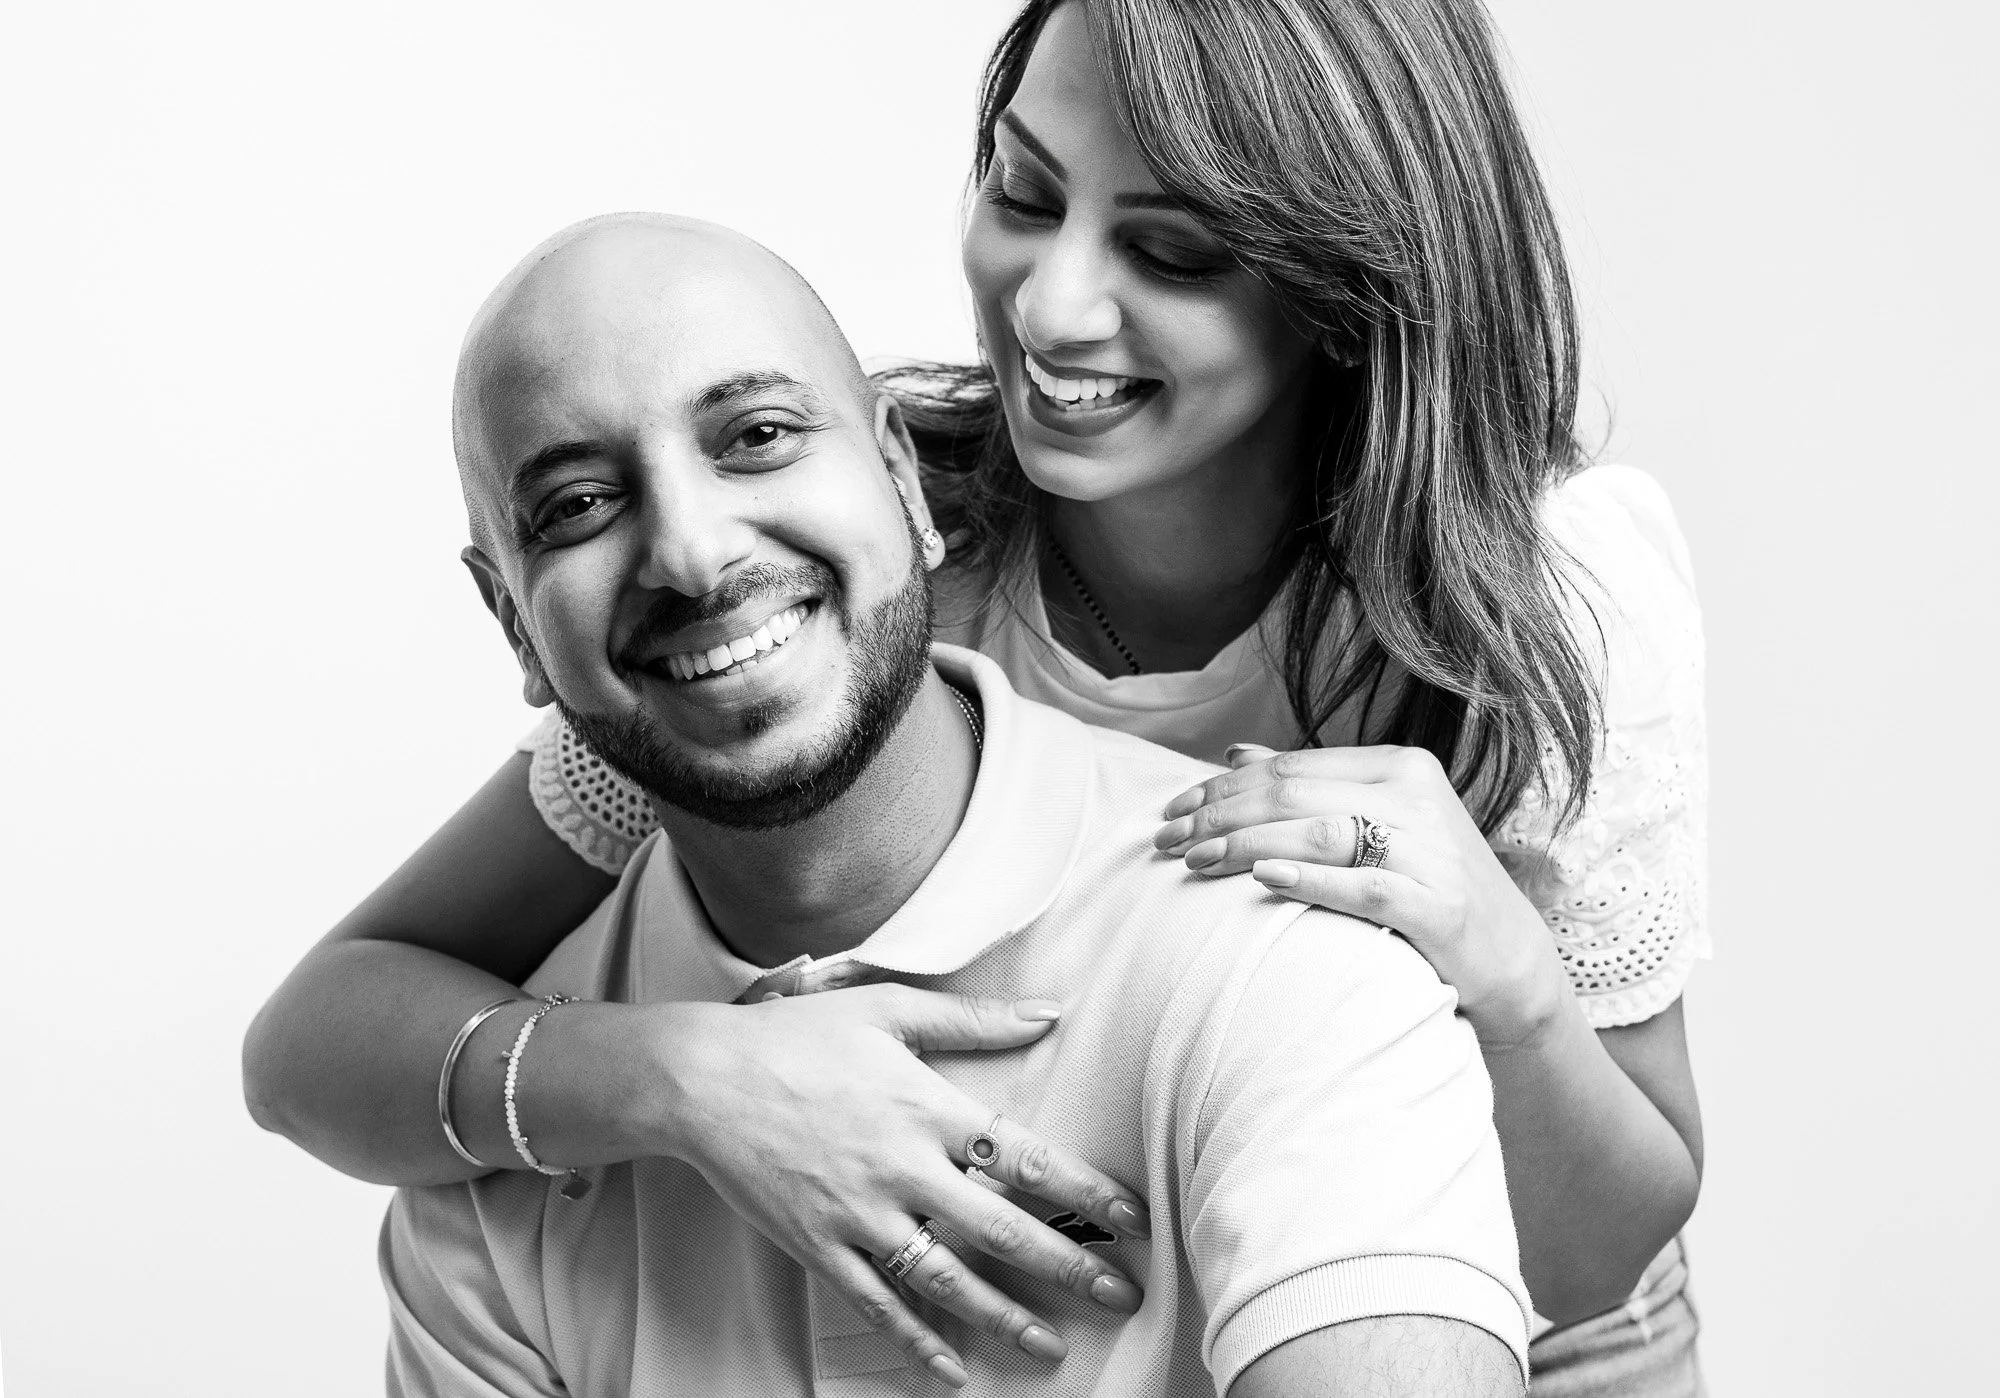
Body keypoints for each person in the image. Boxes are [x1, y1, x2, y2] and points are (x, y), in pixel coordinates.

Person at [247, 1, 1708, 1390]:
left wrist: (1495, 963)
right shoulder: (860, 578)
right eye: (1024, 187)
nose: (1054, 304)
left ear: (1345, 284)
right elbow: (321, 1033)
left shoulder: (1539, 591)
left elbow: (1598, 1249)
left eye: (1175, 251)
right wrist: (697, 1077)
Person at [384, 209, 1530, 1397]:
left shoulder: (1282, 961)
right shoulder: (501, 1156)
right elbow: (308, 1035)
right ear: (514, 622)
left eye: (759, 435)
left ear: (900, 477)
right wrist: (676, 1080)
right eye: (575, 505)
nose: (691, 552)